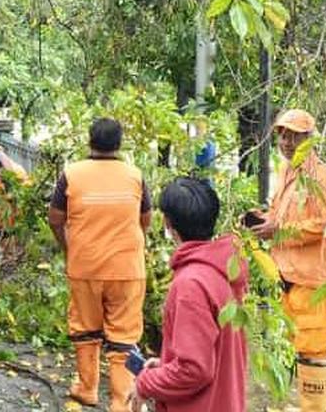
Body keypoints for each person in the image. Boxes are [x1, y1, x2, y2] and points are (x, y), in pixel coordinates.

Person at [47, 118, 150, 412]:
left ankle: (87, 388)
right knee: (124, 335)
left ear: (89, 141)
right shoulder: (135, 175)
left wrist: (70, 247)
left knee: (85, 329)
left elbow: (55, 219)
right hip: (128, 269)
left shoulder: (72, 174)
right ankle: (122, 401)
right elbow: (145, 221)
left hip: (85, 267)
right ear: (119, 144)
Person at [248, 109, 326, 412]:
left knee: (313, 354)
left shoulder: (321, 177)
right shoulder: (287, 171)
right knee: (294, 350)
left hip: (312, 281)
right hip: (288, 278)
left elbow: (323, 224)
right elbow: (280, 216)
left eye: (294, 135)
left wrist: (279, 229)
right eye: (282, 135)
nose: (286, 141)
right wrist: (262, 222)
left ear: (309, 139)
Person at [130, 178, 248, 412]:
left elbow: (195, 369)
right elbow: (209, 349)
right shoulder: (225, 267)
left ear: (168, 223)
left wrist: (145, 383)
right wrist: (165, 365)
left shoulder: (191, 284)